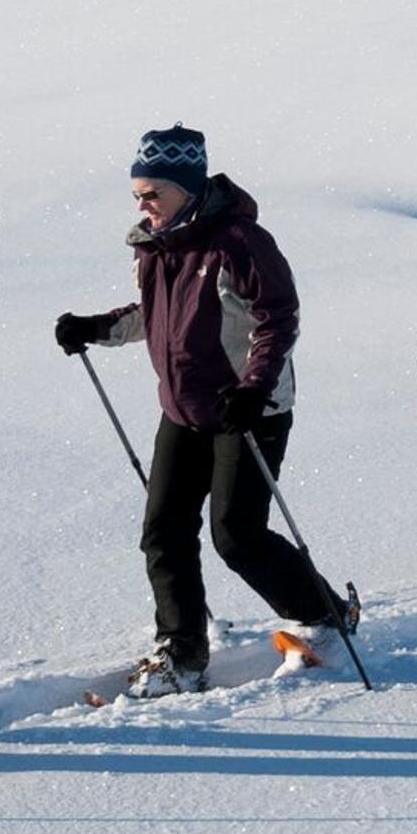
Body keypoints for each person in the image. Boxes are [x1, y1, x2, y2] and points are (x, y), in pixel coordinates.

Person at [52, 127, 353, 696]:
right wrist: (95, 328)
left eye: (152, 193)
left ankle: (325, 615)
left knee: (236, 535)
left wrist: (252, 386)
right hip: (184, 409)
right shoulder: (155, 245)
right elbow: (153, 316)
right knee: (163, 531)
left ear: (186, 188)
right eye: (138, 194)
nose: (143, 205)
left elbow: (277, 319)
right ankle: (182, 650)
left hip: (247, 409)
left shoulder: (238, 240)